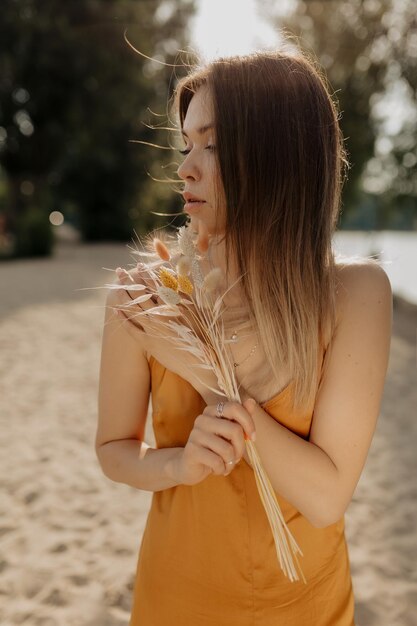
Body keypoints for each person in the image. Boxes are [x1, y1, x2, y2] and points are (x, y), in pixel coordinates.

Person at [95, 48, 392, 625]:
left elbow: (326, 497)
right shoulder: (145, 297)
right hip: (176, 598)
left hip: (309, 606)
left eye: (214, 143)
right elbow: (114, 450)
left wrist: (200, 366)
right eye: (186, 145)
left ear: (283, 154)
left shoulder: (355, 293)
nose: (185, 167)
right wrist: (177, 467)